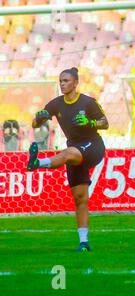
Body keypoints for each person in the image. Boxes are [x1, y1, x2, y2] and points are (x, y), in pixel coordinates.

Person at [27, 67, 109, 252]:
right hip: (75, 151)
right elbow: (35, 123)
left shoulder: (88, 102)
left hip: (93, 146)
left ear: (75, 83)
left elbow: (105, 122)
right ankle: (84, 243)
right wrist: (38, 119)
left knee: (67, 153)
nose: (62, 84)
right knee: (80, 199)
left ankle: (37, 163)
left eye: (66, 81)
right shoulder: (56, 104)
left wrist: (90, 123)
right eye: (60, 81)